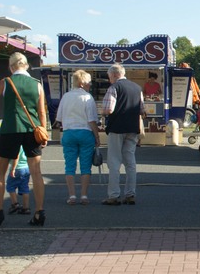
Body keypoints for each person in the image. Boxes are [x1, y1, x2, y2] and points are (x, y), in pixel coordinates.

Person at [0, 52, 47, 226]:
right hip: (32, 130)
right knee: (36, 172)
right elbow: (42, 111)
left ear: (11, 67)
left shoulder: (5, 82)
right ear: (26, 65)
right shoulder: (37, 85)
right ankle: (39, 212)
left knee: (0, 173)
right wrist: (43, 131)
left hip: (10, 129)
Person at [101, 63, 144, 206]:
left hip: (116, 128)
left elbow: (108, 109)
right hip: (132, 128)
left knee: (114, 162)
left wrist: (102, 112)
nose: (109, 79)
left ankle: (113, 195)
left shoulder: (114, 88)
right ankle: (130, 194)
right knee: (130, 162)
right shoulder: (137, 88)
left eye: (109, 77)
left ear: (114, 75)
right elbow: (142, 109)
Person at [56, 70, 101, 205]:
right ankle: (84, 195)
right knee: (85, 166)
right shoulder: (88, 97)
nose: (90, 85)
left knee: (69, 165)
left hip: (69, 132)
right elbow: (91, 120)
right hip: (85, 133)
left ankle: (72, 195)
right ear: (82, 83)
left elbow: (59, 118)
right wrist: (97, 136)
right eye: (88, 82)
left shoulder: (66, 96)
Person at [7, 147, 30, 215]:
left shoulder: (17, 145)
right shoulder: (24, 145)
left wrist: (13, 169)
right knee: (25, 188)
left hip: (18, 168)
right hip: (26, 167)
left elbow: (16, 157)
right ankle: (26, 208)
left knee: (10, 186)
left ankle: (15, 204)